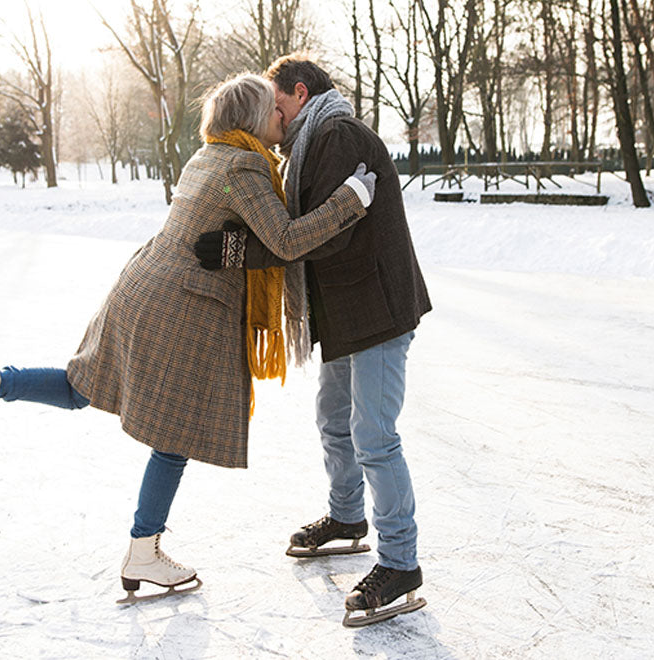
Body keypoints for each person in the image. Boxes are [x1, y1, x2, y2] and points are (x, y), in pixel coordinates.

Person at [0, 73, 377, 604]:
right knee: (174, 436)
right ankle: (144, 553)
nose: (281, 119)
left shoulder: (207, 157)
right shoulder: (244, 166)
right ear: (253, 119)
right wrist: (347, 200)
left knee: (81, 387)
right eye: (273, 111)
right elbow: (284, 240)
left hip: (141, 286)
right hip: (183, 306)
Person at [194, 54, 431, 626]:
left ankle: (401, 562)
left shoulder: (334, 134)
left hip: (375, 308)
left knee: (373, 434)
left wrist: (239, 252)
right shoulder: (307, 142)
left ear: (299, 94)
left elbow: (319, 236)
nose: (270, 117)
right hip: (346, 313)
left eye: (275, 104)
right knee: (333, 420)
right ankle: (348, 517)